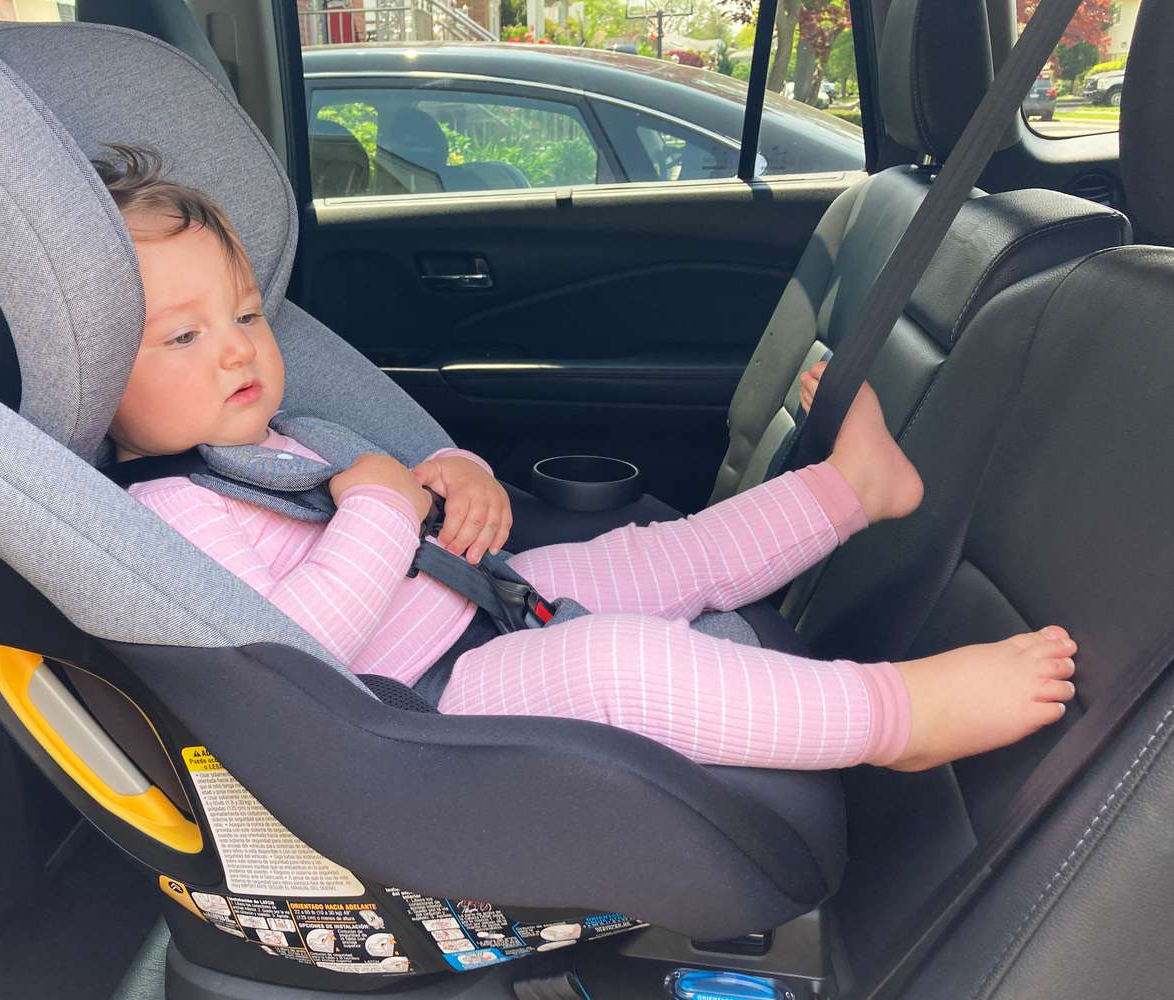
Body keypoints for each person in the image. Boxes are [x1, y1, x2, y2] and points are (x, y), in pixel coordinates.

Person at [97, 145, 1076, 772]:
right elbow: (291, 653)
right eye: (182, 337)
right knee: (625, 663)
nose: (235, 347)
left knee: (656, 553)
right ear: (98, 372)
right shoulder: (169, 514)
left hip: (479, 609)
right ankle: (897, 720)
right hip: (426, 710)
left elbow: (379, 489)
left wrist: (452, 474)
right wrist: (384, 508)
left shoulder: (260, 443)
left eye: (244, 315)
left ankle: (849, 490)